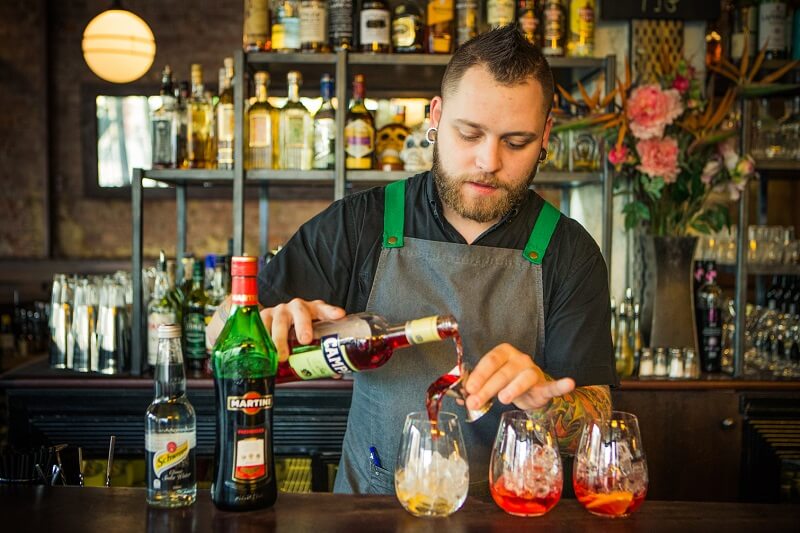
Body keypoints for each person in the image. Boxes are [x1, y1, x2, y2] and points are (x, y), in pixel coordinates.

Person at [208, 25, 616, 499]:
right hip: (369, 513)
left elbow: (598, 420)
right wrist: (251, 330)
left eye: (516, 141)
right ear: (436, 116)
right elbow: (218, 333)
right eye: (470, 133)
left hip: (510, 514)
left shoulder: (570, 251)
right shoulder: (361, 224)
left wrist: (548, 400)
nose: (489, 160)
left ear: (545, 135)